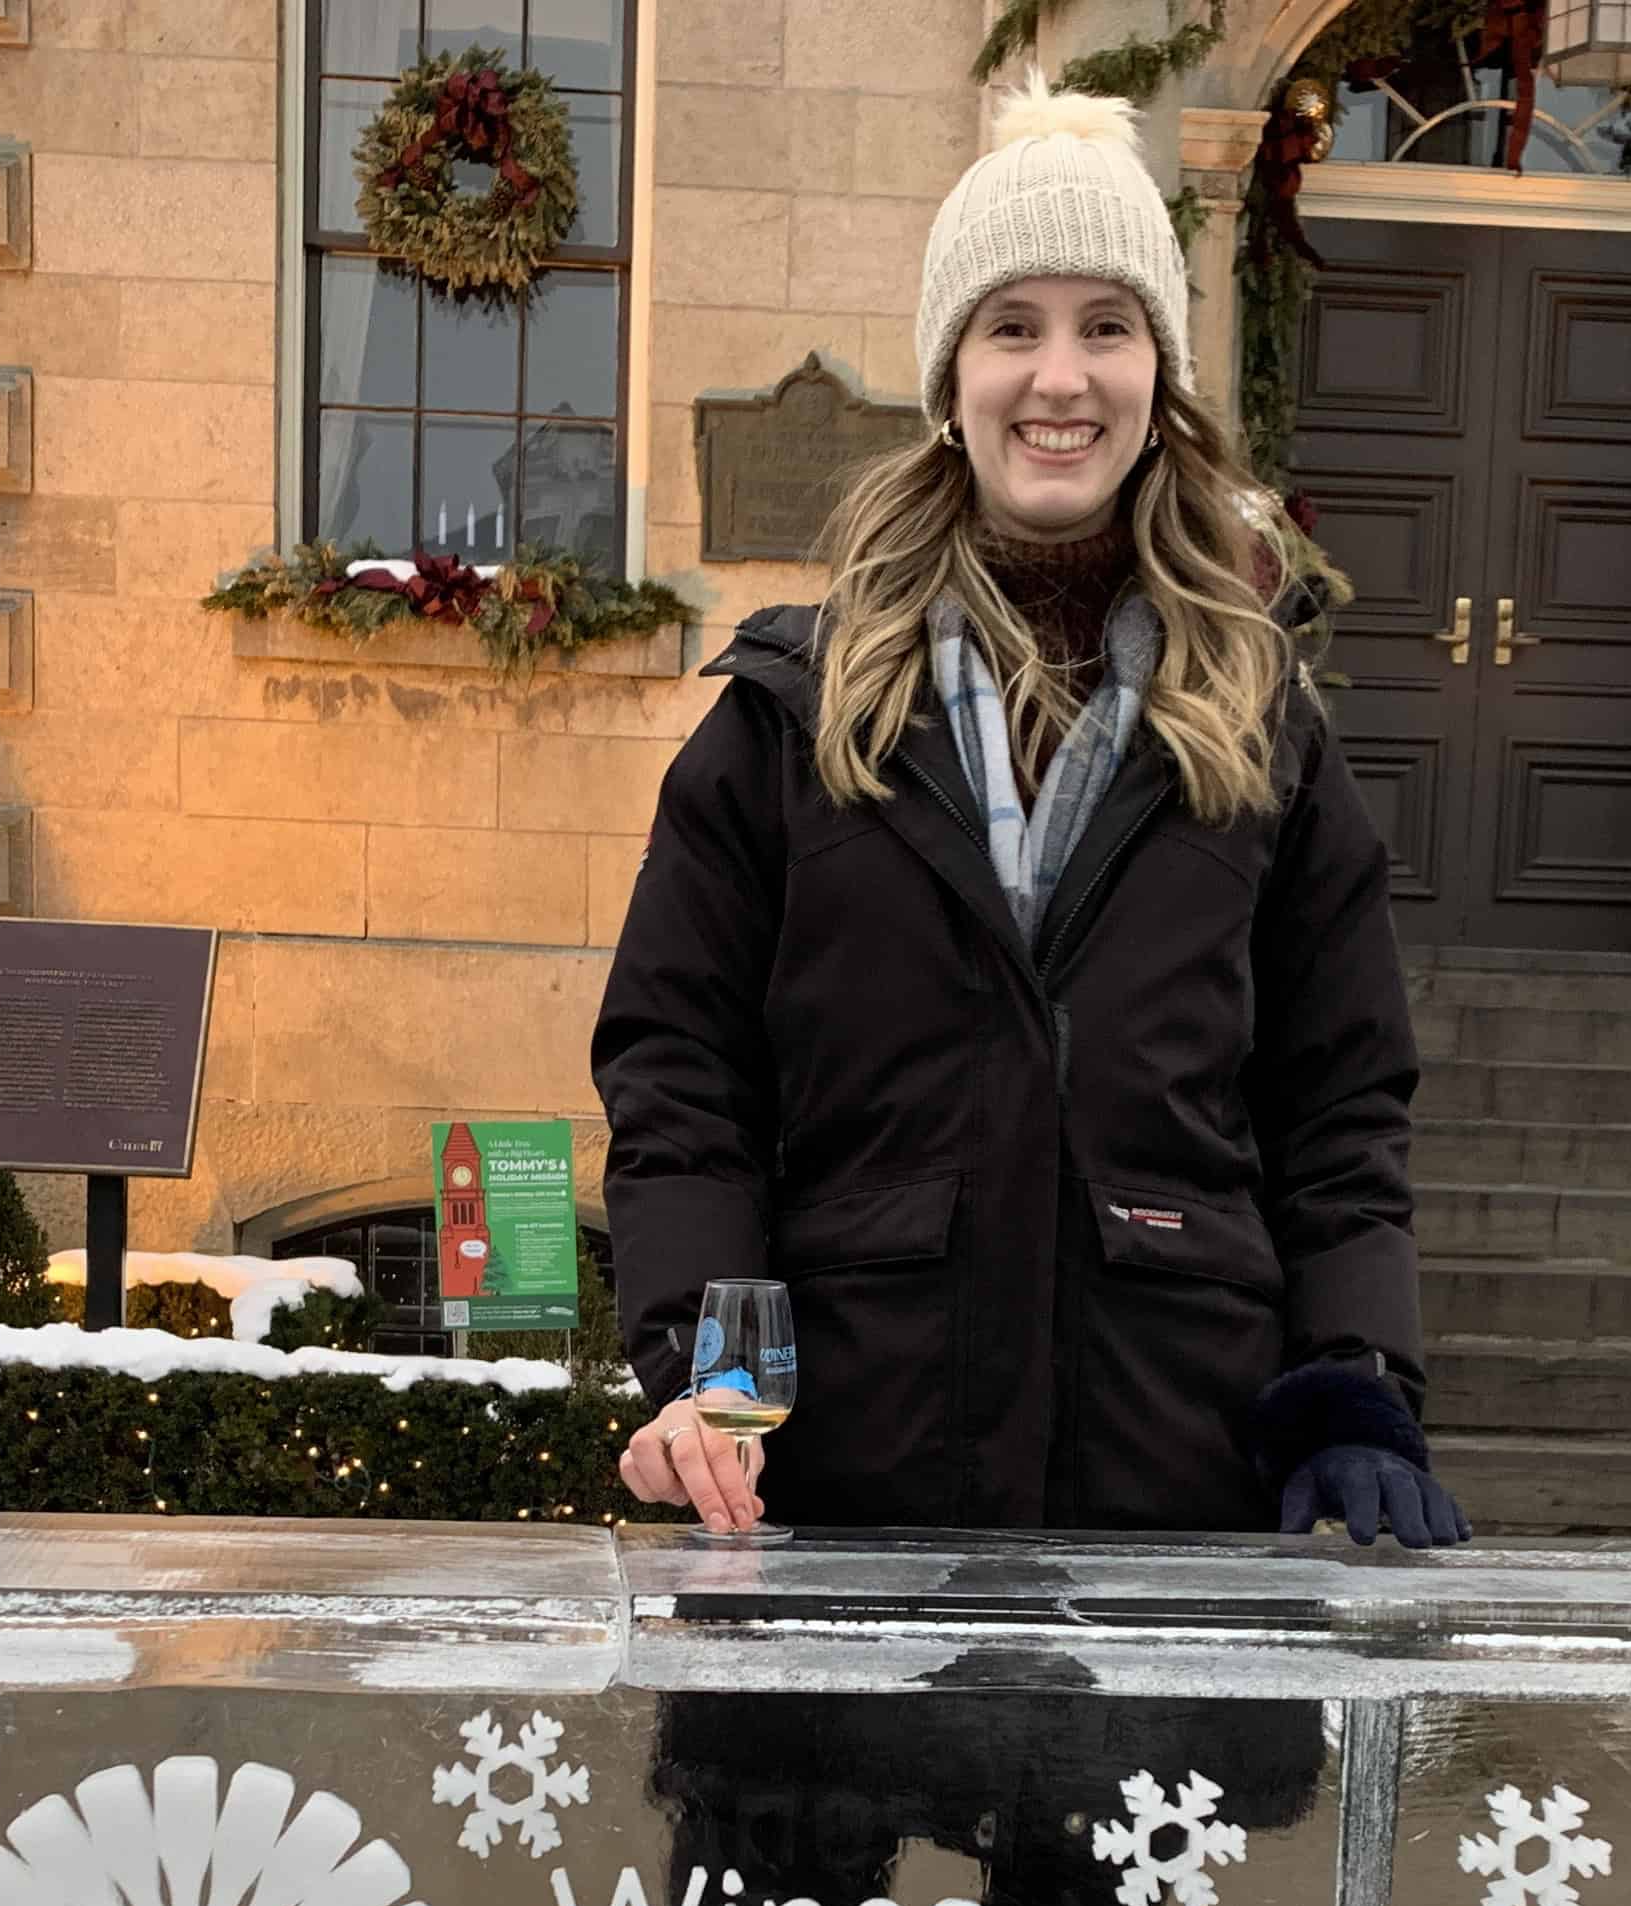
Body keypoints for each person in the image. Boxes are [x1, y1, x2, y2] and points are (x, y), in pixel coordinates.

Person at [591, 77, 1466, 1555]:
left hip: (1170, 1472)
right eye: (1014, 327)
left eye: (1107, 326)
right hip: (847, 1483)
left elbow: (1338, 1103)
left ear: (1158, 378)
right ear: (951, 378)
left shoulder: (1262, 731)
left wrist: (1354, 1375)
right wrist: (700, 1362)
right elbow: (683, 1073)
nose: (1061, 378)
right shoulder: (790, 716)